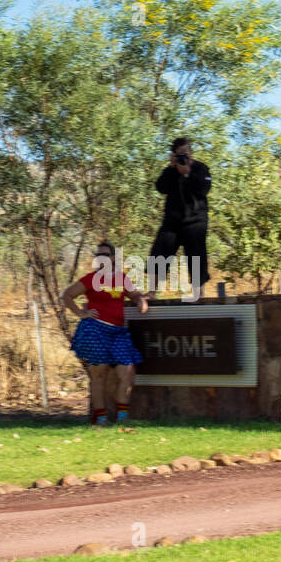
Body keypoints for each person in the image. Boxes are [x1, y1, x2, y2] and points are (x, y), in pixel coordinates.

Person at [62, 240, 149, 425]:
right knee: (99, 374)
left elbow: (133, 294)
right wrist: (81, 313)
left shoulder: (121, 278)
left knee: (127, 371)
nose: (101, 258)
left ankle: (122, 417)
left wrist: (141, 300)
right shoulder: (90, 279)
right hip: (95, 329)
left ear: (113, 258)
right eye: (98, 255)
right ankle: (100, 417)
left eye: (105, 255)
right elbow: (67, 295)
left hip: (117, 332)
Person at [150, 136, 212, 296]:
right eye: (180, 154)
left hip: (196, 221)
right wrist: (172, 168)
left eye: (186, 152)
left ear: (191, 152)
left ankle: (199, 294)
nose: (184, 156)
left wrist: (187, 174)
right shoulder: (170, 171)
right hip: (172, 221)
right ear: (174, 156)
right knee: (159, 251)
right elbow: (161, 187)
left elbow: (204, 188)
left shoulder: (201, 168)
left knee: (196, 255)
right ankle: (151, 292)